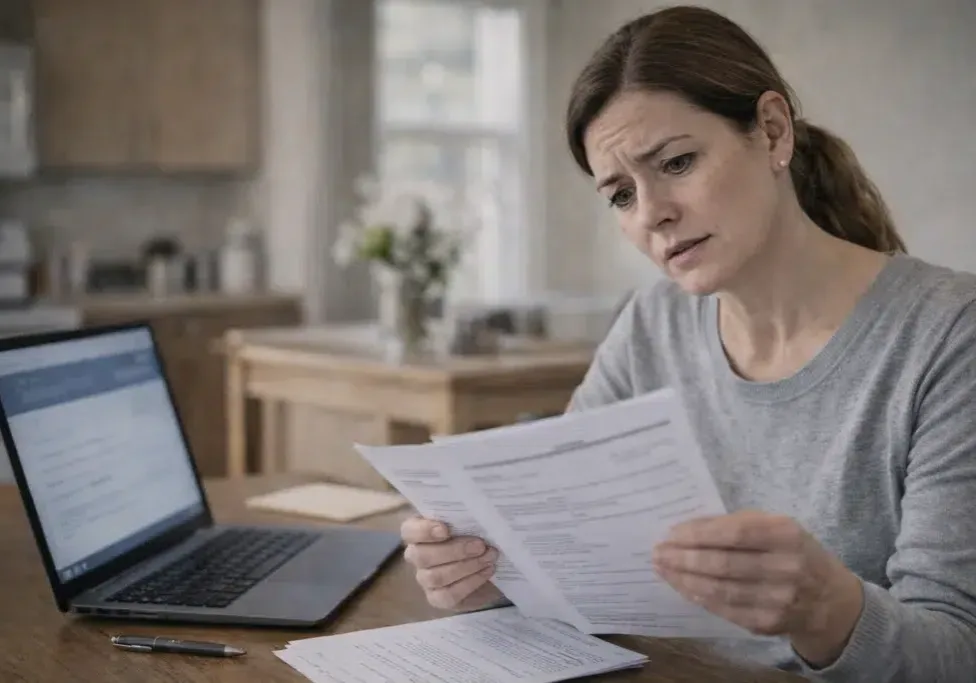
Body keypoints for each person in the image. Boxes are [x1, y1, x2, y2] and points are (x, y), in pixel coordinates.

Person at [398, 6, 976, 681]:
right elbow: (562, 541)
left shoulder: (949, 334)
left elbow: (958, 654)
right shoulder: (652, 322)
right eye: (619, 194)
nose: (651, 214)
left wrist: (827, 608)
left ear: (772, 130)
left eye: (676, 162)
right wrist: (491, 572)